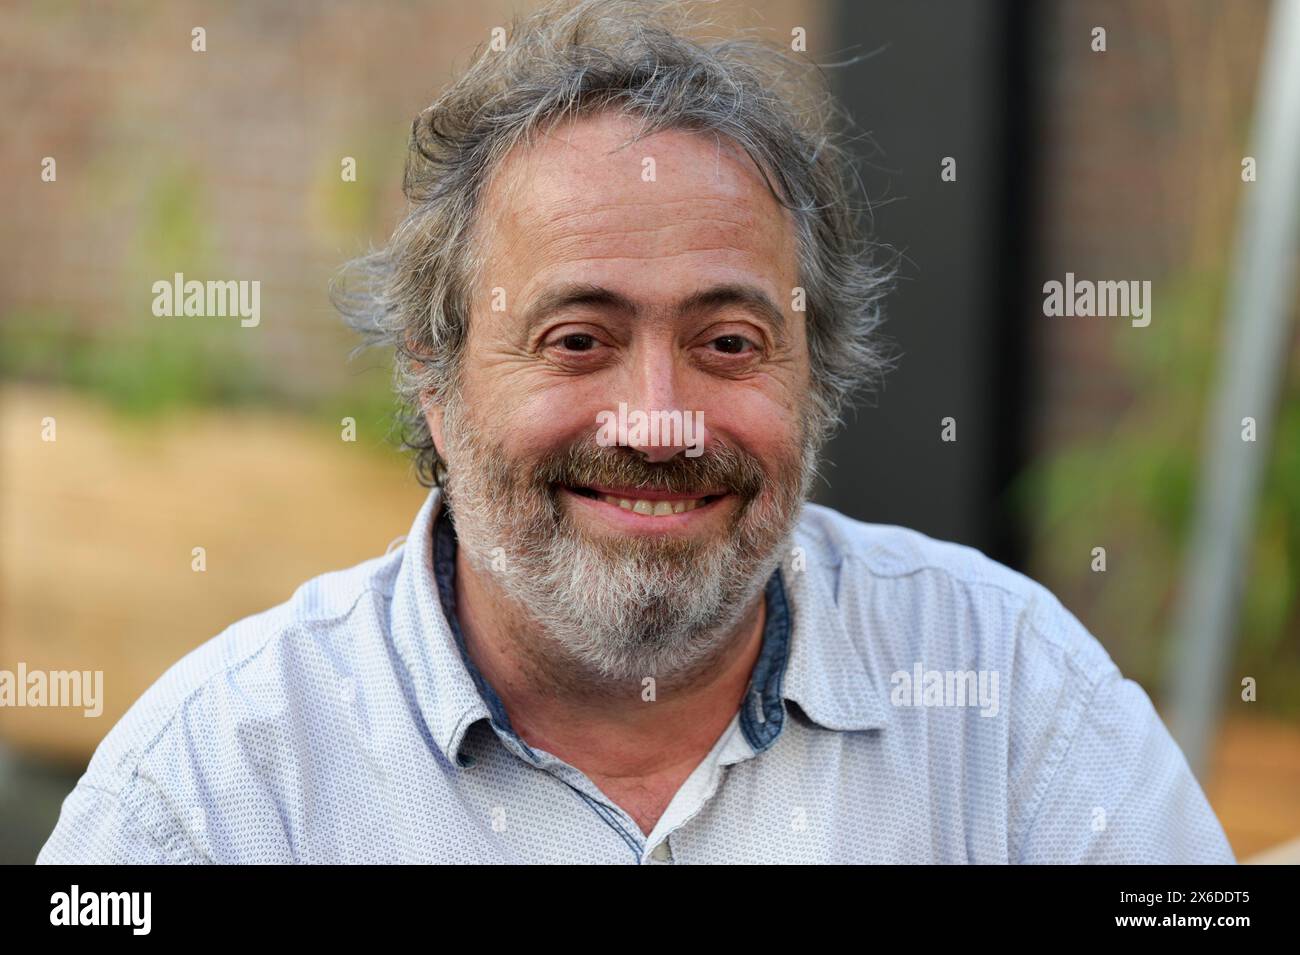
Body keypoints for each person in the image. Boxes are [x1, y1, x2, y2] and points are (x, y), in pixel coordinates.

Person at [38, 0, 1234, 864]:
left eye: (727, 343)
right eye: (576, 339)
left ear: (817, 377)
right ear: (434, 379)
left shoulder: (1010, 693)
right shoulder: (213, 791)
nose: (659, 423)